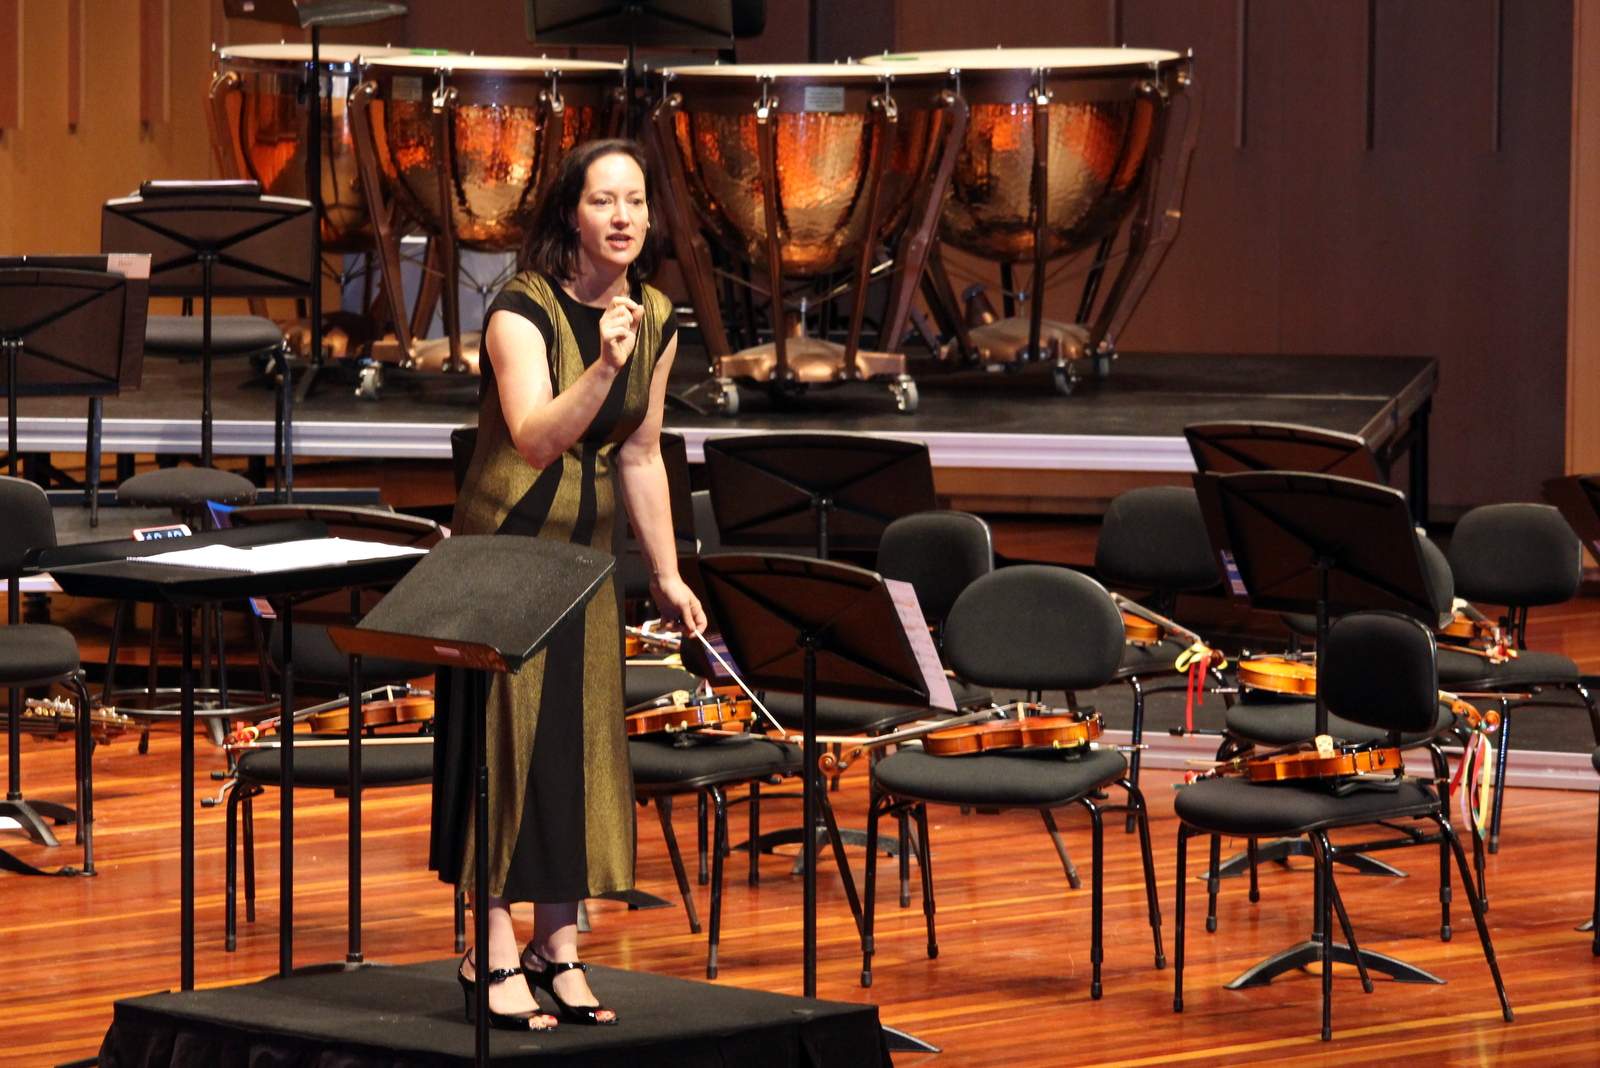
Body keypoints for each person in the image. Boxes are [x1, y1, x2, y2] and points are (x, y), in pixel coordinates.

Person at [430, 138, 706, 1031]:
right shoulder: (522, 307)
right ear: (570, 215)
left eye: (634, 201)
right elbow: (537, 437)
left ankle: (560, 944)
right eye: (602, 201)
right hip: (504, 552)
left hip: (587, 558)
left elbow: (640, 450)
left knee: (575, 747)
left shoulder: (656, 315)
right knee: (505, 752)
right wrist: (603, 367)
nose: (622, 217)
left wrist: (663, 571)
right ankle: (491, 948)